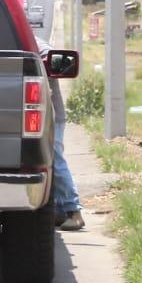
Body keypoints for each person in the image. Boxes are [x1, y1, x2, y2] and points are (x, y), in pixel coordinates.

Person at [38, 38, 84, 231]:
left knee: (55, 159)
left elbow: (53, 59)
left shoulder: (36, 45)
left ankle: (73, 211)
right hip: (38, 116)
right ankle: (59, 210)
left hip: (52, 116)